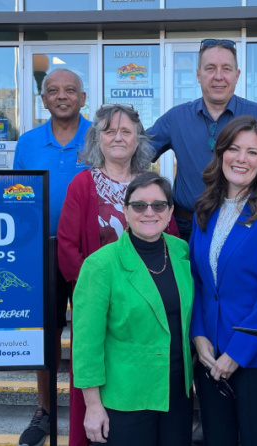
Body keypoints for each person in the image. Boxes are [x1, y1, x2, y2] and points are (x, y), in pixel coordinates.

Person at [57, 104, 179, 446]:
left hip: (147, 310)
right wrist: (98, 294)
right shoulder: (83, 184)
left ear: (138, 139)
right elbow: (67, 246)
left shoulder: (151, 185)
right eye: (109, 130)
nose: (118, 137)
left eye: (126, 131)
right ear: (97, 138)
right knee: (95, 376)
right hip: (101, 306)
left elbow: (172, 246)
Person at [189, 116, 257, 446]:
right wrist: (198, 334)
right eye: (234, 149)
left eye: (252, 152)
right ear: (220, 154)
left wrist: (236, 353)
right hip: (209, 355)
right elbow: (197, 282)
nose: (241, 159)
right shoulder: (203, 211)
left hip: (255, 358)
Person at [73, 172, 193, 446]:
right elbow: (86, 344)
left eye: (158, 205)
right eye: (139, 205)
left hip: (176, 394)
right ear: (125, 211)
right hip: (126, 398)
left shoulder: (181, 251)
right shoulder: (100, 265)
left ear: (170, 211)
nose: (149, 212)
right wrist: (92, 406)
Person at [12, 68, 92, 446]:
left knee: (90, 331)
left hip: (91, 252)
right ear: (43, 99)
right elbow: (14, 197)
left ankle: (92, 406)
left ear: (83, 97)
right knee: (46, 333)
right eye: (53, 91)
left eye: (70, 90)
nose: (62, 96)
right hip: (40, 252)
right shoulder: (27, 143)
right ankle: (44, 411)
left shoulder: (98, 137)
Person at [149, 38, 257, 241]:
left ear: (237, 75)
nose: (218, 77)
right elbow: (136, 153)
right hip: (185, 229)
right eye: (210, 68)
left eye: (226, 69)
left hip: (242, 227)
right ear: (198, 74)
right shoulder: (176, 118)